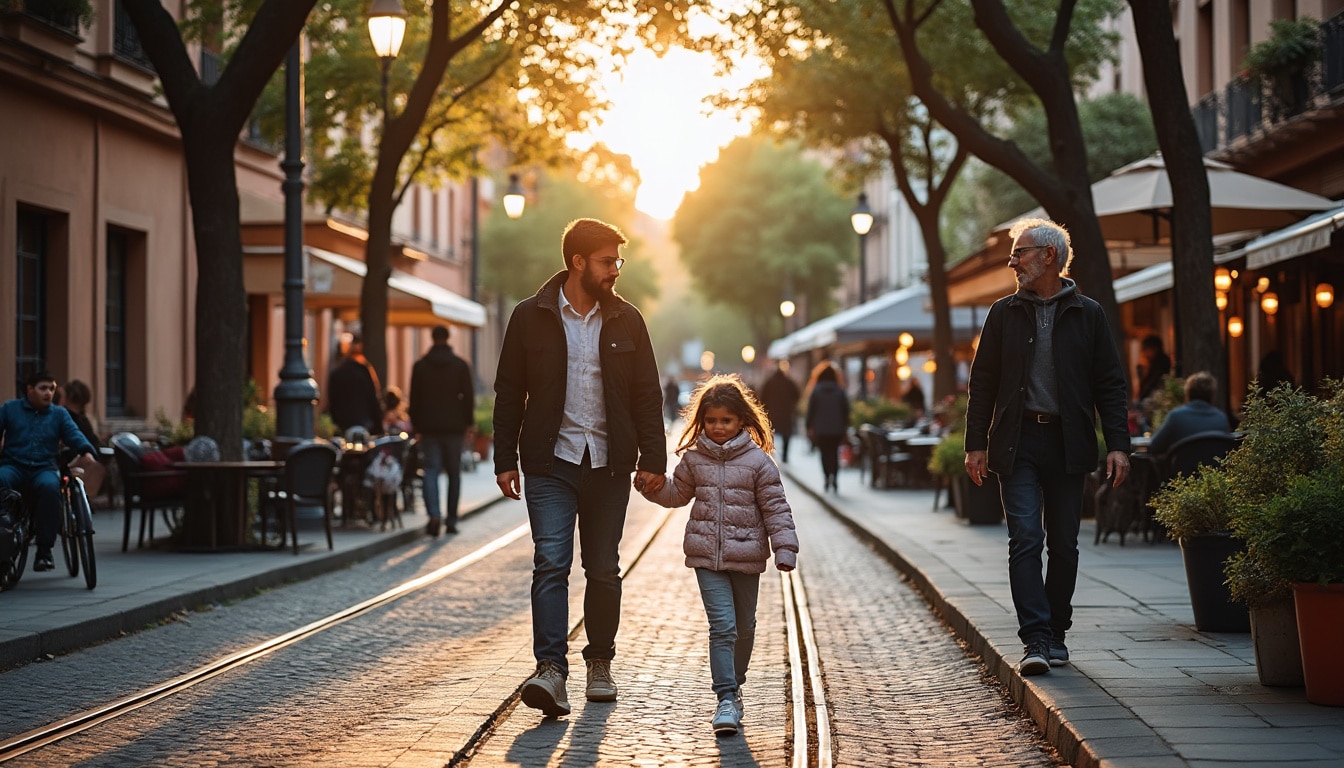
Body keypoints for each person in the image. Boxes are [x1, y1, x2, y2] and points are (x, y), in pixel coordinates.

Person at [493, 217, 667, 718]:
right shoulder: (530, 317)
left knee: (603, 567)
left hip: (609, 464)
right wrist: (506, 458)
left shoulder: (628, 320)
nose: (615, 269)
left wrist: (652, 459)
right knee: (551, 562)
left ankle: (600, 664)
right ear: (578, 263)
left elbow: (645, 394)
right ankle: (551, 670)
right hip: (551, 461)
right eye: (608, 261)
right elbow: (510, 391)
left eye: (617, 261)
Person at [963, 218, 1130, 677]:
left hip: (1068, 442)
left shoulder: (1089, 313)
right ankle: (1034, 637)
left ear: (1049, 256)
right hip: (1017, 442)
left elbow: (1110, 384)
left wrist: (1118, 444)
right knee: (1025, 539)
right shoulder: (1003, 313)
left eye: (1020, 252)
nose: (1012, 261)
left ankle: (1057, 631)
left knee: (1065, 544)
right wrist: (975, 443)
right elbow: (983, 383)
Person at [639, 374, 798, 736]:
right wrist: (652, 488)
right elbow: (677, 494)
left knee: (745, 626)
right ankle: (726, 697)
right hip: (705, 556)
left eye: (725, 420)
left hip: (747, 557)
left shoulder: (759, 463)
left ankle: (735, 683)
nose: (718, 427)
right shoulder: (695, 460)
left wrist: (784, 546)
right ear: (702, 421)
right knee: (722, 626)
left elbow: (776, 508)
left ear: (741, 420)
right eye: (711, 420)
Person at [0, 370, 98, 571]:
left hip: (43, 467)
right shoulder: (10, 409)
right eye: (42, 388)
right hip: (14, 465)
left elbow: (74, 434)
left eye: (51, 389)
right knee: (2, 479)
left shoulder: (59, 414)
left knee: (50, 486)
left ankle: (44, 550)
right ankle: (5, 536)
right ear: (29, 390)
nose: (48, 393)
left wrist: (86, 450)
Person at [408, 325, 475, 537]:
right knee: (454, 474)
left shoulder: (420, 366)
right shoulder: (460, 365)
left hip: (428, 428)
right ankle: (452, 520)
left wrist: (416, 425)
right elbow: (468, 398)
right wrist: (468, 424)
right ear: (447, 339)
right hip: (454, 428)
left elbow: (414, 399)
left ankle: (434, 514)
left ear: (431, 338)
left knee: (431, 471)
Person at [1147, 371, 1232, 457]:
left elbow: (1154, 447)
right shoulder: (1221, 418)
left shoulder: (1176, 417)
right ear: (1212, 395)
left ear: (1188, 393)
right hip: (1214, 469)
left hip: (1181, 469)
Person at [326, 331, 383, 435]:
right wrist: (378, 426)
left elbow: (332, 400)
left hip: (344, 423)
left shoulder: (337, 373)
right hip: (364, 422)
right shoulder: (364, 371)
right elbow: (373, 398)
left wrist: (337, 420)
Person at [805, 362, 849, 493]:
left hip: (821, 429)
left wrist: (809, 426)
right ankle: (834, 477)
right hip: (837, 429)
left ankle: (826, 477)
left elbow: (811, 410)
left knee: (824, 454)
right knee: (834, 453)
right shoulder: (840, 391)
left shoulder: (816, 390)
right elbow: (845, 411)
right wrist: (845, 427)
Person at [760, 361, 801, 462]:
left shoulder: (769, 382)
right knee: (786, 434)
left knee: (769, 433)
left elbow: (762, 397)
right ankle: (785, 456)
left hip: (771, 413)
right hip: (786, 413)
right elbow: (797, 395)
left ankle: (769, 451)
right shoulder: (789, 382)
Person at [1135, 334, 1171, 403]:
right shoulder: (1152, 363)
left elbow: (1152, 385)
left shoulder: (1161, 362)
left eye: (1146, 349)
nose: (1144, 353)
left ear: (1155, 348)